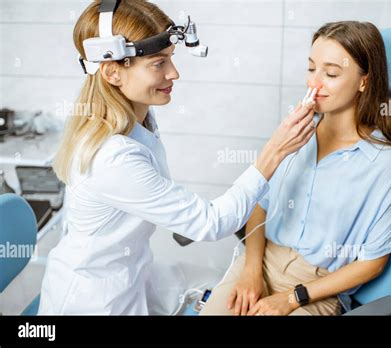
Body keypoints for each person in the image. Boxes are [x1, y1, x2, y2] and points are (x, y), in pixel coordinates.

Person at [38, 0, 316, 315]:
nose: (175, 73)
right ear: (112, 72)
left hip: (132, 275)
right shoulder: (112, 157)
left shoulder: (136, 121)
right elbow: (210, 224)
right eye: (159, 63)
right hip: (95, 301)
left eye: (171, 58)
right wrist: (274, 151)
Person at [200, 21, 391, 316]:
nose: (315, 83)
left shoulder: (383, 164)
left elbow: (373, 262)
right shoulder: (297, 131)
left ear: (364, 81)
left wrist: (292, 298)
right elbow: (259, 203)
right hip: (260, 261)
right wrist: (250, 271)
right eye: (311, 69)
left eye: (331, 73)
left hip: (317, 288)